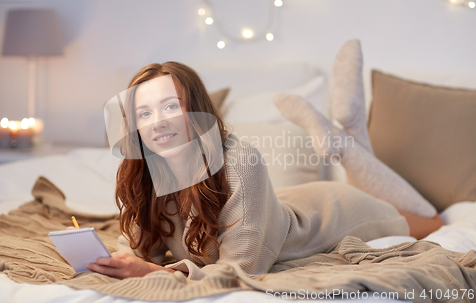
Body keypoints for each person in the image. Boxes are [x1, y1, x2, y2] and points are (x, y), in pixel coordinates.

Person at [85, 49, 443, 280]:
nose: (156, 122)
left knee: (432, 220)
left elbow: (240, 269)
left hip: (331, 213)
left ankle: (348, 139)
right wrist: (117, 261)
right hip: (282, 202)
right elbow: (137, 247)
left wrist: (150, 273)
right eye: (143, 113)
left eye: (169, 106)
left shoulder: (240, 161)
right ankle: (347, 138)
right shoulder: (147, 171)